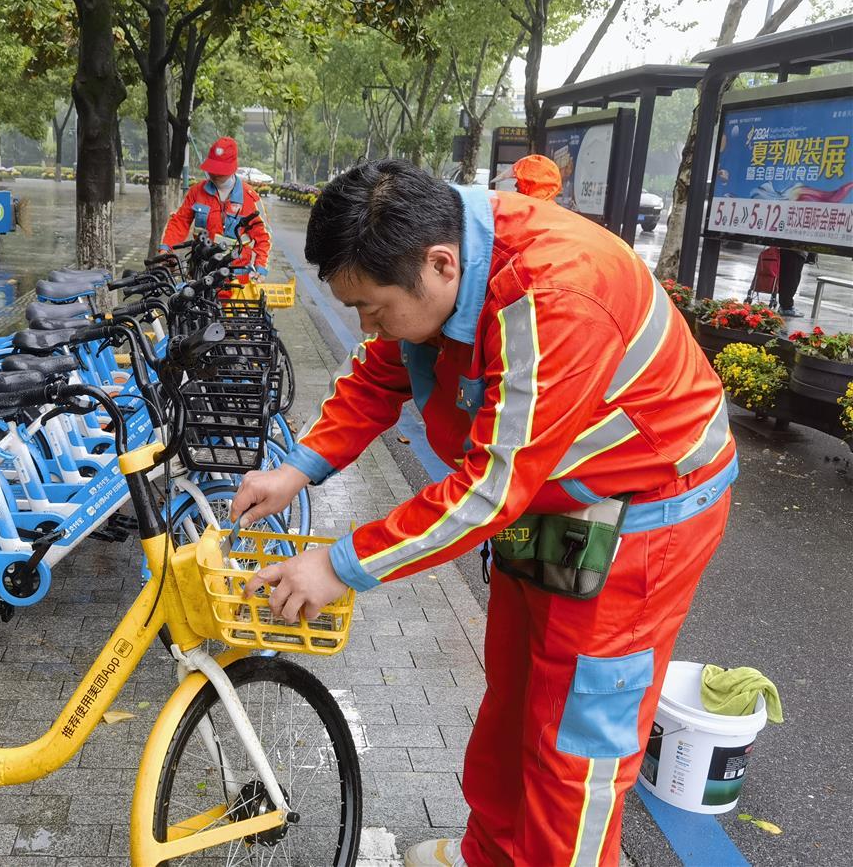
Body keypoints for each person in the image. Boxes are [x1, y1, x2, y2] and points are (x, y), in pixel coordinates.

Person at [233, 160, 737, 867]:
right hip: (548, 503)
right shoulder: (434, 254)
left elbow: (487, 492)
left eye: (373, 308)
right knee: (514, 700)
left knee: (577, 744)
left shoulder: (554, 294)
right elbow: (382, 371)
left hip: (639, 519)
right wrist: (298, 467)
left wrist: (340, 564)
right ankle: (493, 855)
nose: (366, 325)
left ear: (440, 264)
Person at [160, 137, 271, 279]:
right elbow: (179, 222)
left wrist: (260, 268)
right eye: (213, 168)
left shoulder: (251, 199)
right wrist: (166, 249)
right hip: (201, 274)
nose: (214, 173)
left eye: (220, 169)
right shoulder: (196, 192)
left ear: (232, 168)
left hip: (236, 278)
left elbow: (264, 237)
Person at [776, 247, 813, 317]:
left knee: (789, 277)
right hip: (795, 250)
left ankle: (785, 305)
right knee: (792, 278)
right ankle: (786, 307)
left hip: (791, 249)